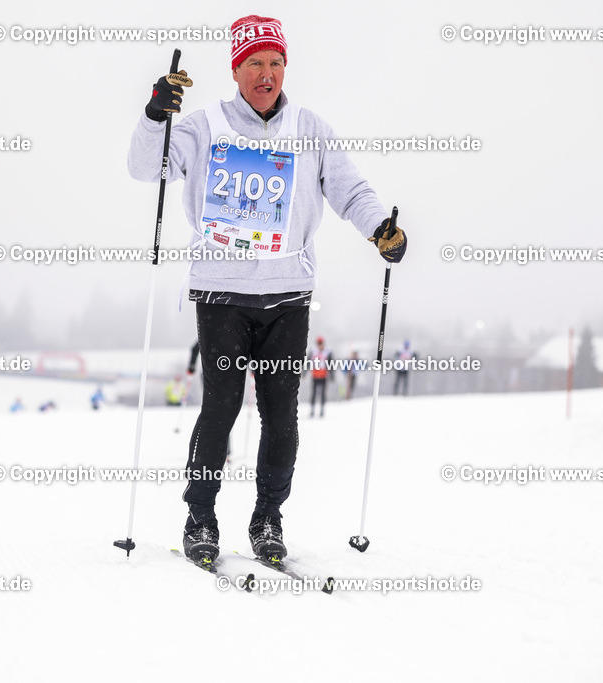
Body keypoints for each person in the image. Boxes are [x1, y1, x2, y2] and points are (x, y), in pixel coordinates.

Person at [128, 14, 407, 564]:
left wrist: (380, 227)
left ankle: (267, 518)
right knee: (222, 406)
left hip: (287, 296)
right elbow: (144, 167)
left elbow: (348, 187)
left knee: (282, 415)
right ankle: (201, 518)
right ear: (236, 68)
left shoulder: (310, 127)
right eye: (255, 62)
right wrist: (154, 114)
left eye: (276, 62)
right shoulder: (203, 126)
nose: (267, 73)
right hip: (222, 294)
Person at [308, 336, 332, 418]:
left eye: (321, 344)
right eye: (318, 344)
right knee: (314, 394)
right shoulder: (313, 352)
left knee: (322, 394)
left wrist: (332, 376)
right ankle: (312, 410)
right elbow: (308, 363)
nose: (320, 345)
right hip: (315, 375)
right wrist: (304, 373)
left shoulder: (327, 352)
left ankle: (322, 410)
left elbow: (331, 364)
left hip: (323, 376)